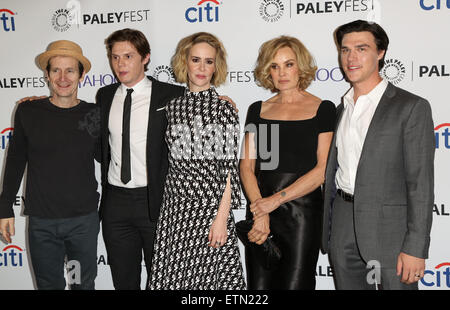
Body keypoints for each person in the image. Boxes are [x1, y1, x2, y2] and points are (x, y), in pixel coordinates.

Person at [321, 20, 435, 290]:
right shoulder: (341, 109)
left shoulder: (411, 107)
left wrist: (416, 247)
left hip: (391, 231)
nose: (351, 57)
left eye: (361, 48)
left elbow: (421, 184)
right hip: (343, 224)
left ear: (380, 52)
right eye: (345, 49)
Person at [148, 32, 246, 290]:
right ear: (185, 62)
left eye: (209, 61)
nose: (202, 68)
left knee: (209, 283)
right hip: (175, 209)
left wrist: (221, 218)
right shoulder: (172, 107)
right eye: (196, 60)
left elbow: (228, 171)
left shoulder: (223, 109)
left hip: (208, 210)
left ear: (217, 66)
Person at [0, 40, 100, 290]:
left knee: (80, 285)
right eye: (56, 70)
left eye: (70, 70)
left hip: (82, 224)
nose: (63, 77)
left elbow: (112, 156)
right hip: (43, 224)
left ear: (82, 75)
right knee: (48, 286)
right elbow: (15, 160)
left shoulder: (96, 114)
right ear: (46, 74)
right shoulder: (28, 112)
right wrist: (4, 208)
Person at [239, 36, 336, 289]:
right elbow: (247, 167)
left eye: (289, 64)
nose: (282, 73)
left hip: (302, 214)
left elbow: (322, 170)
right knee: (258, 288)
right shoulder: (257, 110)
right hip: (261, 209)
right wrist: (261, 212)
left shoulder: (323, 109)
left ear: (300, 66)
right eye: (274, 66)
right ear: (267, 71)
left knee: (296, 284)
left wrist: (275, 201)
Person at [96, 28, 185, 290]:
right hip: (115, 203)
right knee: (124, 282)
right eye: (115, 57)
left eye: (128, 56)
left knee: (162, 281)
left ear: (145, 58)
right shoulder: (104, 96)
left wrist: (218, 101)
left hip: (156, 202)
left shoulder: (171, 96)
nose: (120, 64)